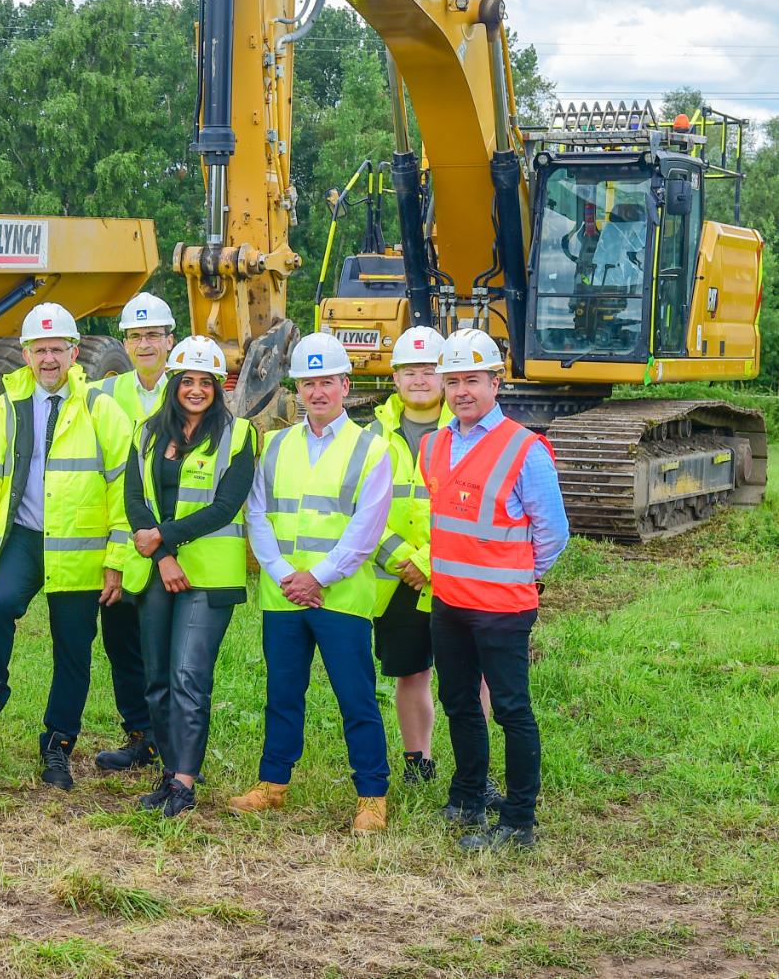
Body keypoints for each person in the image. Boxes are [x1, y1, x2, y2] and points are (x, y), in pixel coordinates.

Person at [0, 303, 135, 790]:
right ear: (25, 355)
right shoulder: (7, 405)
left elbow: (123, 488)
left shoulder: (100, 408)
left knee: (73, 650)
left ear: (75, 353)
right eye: (39, 349)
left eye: (57, 349)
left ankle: (58, 746)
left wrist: (116, 559)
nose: (48, 358)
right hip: (26, 538)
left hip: (79, 549)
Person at [231, 332, 393, 832]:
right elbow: (256, 514)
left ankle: (372, 795)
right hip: (284, 597)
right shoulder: (275, 445)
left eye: (326, 382)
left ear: (346, 385)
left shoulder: (371, 449)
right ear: (296, 390)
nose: (317, 392)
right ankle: (273, 784)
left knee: (355, 697)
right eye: (307, 383)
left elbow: (366, 530)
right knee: (282, 693)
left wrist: (316, 578)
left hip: (339, 596)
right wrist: (284, 576)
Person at [424, 328, 569, 851]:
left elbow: (553, 531)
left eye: (473, 380)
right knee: (459, 701)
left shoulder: (523, 449)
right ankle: (467, 796)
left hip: (503, 608)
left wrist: (522, 577)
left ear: (495, 382)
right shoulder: (434, 445)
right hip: (449, 603)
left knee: (510, 709)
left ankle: (518, 821)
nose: (462, 390)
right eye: (453, 380)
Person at [124, 336, 256, 817]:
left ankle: (185, 782)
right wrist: (161, 555)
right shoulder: (147, 433)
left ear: (218, 388)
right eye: (188, 380)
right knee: (157, 678)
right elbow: (134, 500)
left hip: (208, 577)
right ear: (174, 382)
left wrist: (162, 539)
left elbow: (225, 507)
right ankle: (168, 772)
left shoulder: (239, 435)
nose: (196, 389)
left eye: (206, 382)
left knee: (188, 677)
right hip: (161, 571)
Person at [83, 292, 176, 773]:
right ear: (125, 341)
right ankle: (140, 735)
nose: (145, 345)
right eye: (136, 336)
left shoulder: (188, 389)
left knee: (170, 651)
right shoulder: (104, 393)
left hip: (170, 540)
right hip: (120, 538)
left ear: (169, 340)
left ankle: (177, 744)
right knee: (121, 643)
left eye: (153, 336)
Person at [367, 326, 452, 786]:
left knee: (470, 675)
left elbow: (476, 507)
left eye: (429, 370)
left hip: (455, 572)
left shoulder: (466, 429)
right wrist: (404, 558)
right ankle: (418, 762)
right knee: (411, 673)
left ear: (444, 376)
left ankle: (471, 765)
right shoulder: (372, 436)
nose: (419, 379)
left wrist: (429, 561)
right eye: (409, 371)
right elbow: (358, 509)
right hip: (396, 578)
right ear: (395, 378)